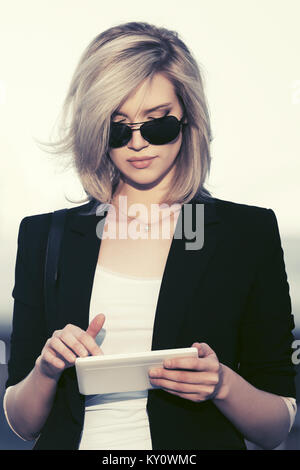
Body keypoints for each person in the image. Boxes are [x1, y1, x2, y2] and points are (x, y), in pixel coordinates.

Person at [3, 21, 297, 451]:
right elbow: (22, 424)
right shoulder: (44, 236)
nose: (138, 143)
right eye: (118, 127)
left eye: (158, 124)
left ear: (189, 118)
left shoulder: (245, 234)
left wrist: (222, 385)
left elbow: (276, 428)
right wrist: (47, 369)